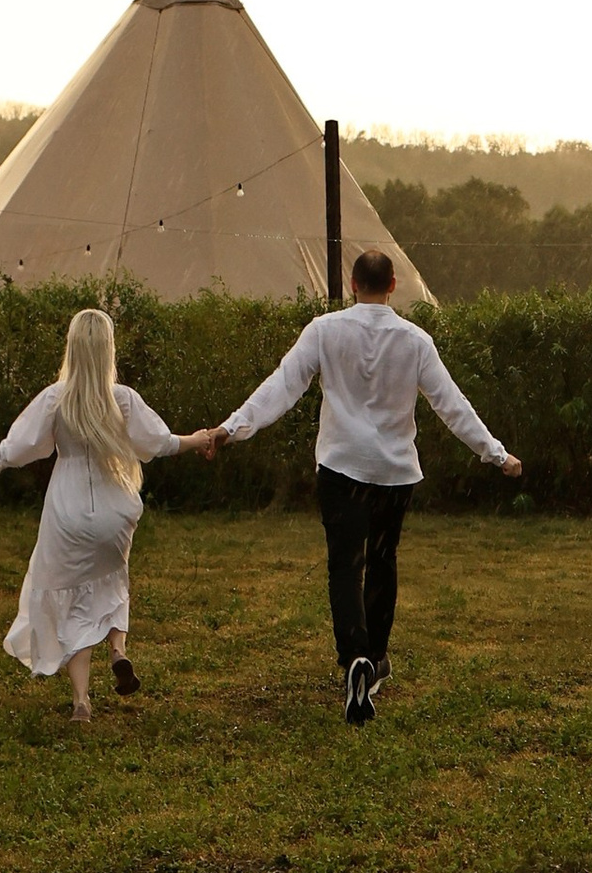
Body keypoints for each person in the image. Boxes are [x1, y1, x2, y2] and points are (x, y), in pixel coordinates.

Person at [184, 252, 520, 724]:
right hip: (394, 472)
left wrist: (230, 428)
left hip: (340, 468)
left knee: (346, 565)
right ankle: (376, 657)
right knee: (382, 562)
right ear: (394, 284)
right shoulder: (416, 341)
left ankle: (354, 657)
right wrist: (497, 453)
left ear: (352, 282)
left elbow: (281, 387)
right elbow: (451, 404)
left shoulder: (324, 330)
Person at [0, 307, 181, 721]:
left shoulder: (57, 398)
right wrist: (196, 440)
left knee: (72, 598)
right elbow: (160, 442)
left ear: (72, 348)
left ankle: (81, 701)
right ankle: (118, 650)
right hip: (116, 510)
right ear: (108, 350)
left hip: (68, 511)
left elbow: (23, 447)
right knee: (112, 584)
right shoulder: (123, 399)